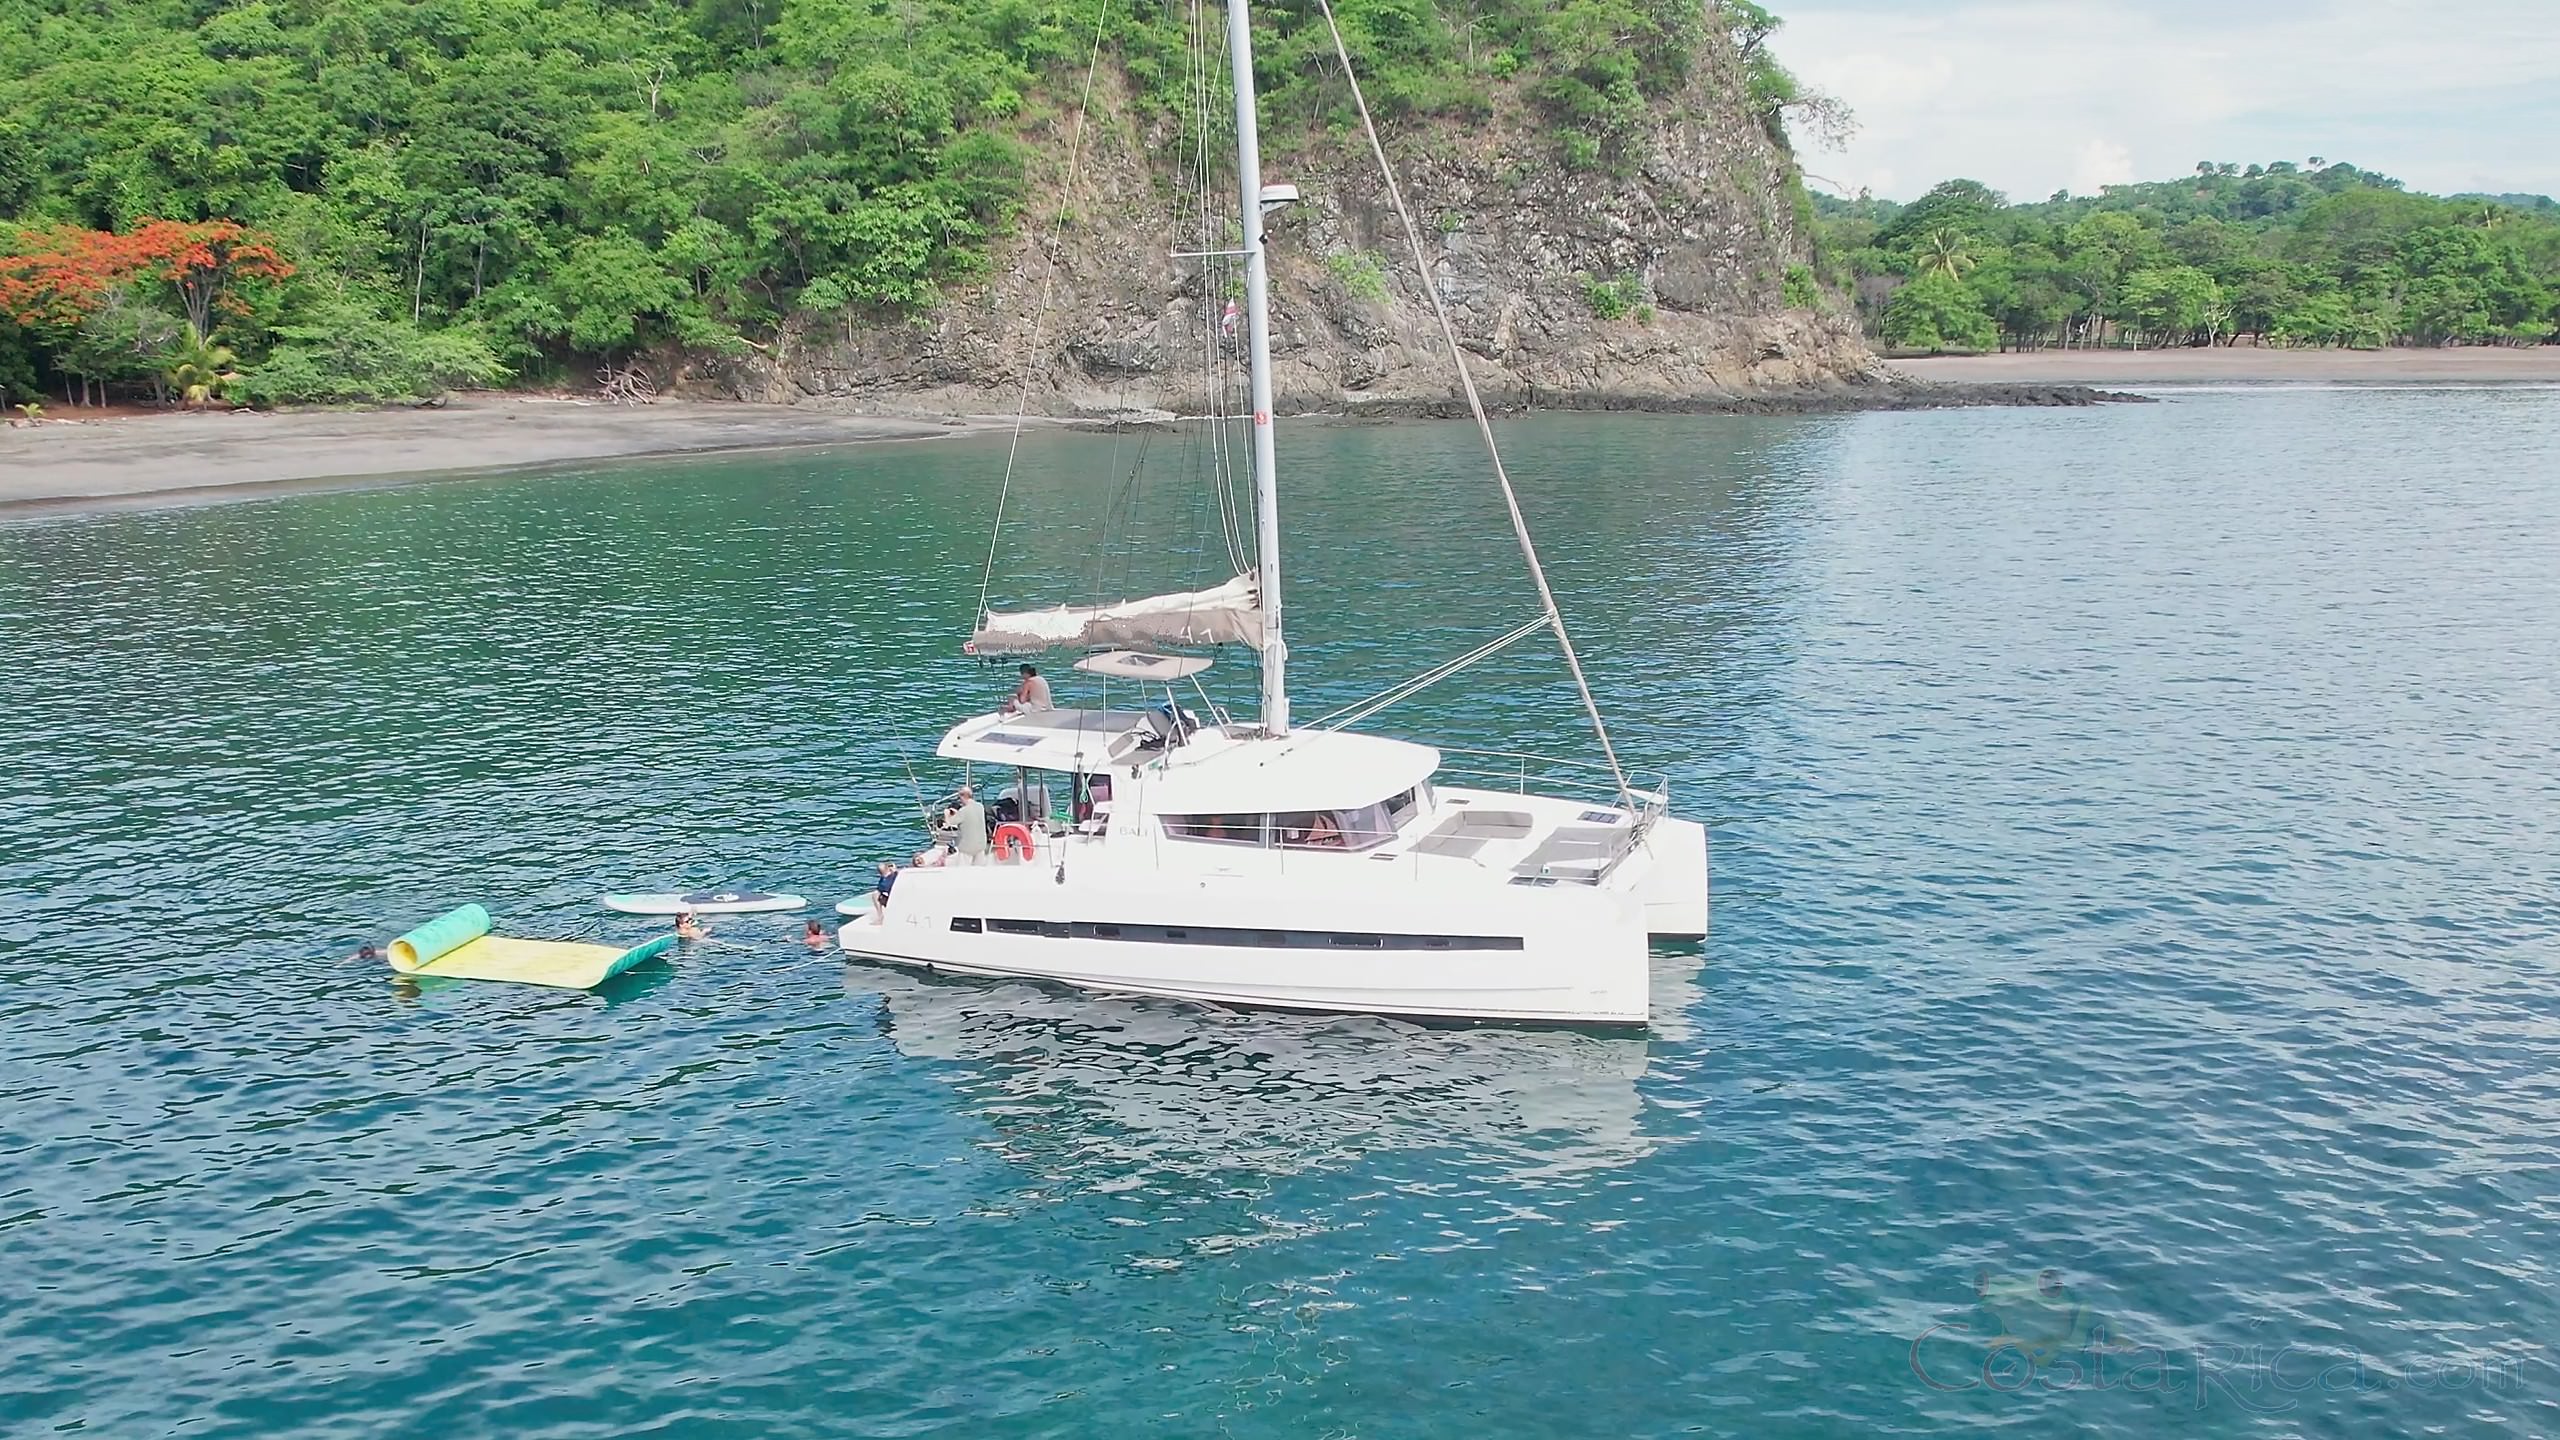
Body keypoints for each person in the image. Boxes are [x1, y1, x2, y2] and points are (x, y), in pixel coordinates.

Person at [945, 783, 990, 864]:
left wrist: (946, 815)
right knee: (979, 869)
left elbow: (949, 824)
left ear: (962, 797)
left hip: (967, 848)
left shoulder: (963, 811)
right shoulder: (980, 807)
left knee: (963, 870)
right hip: (981, 845)